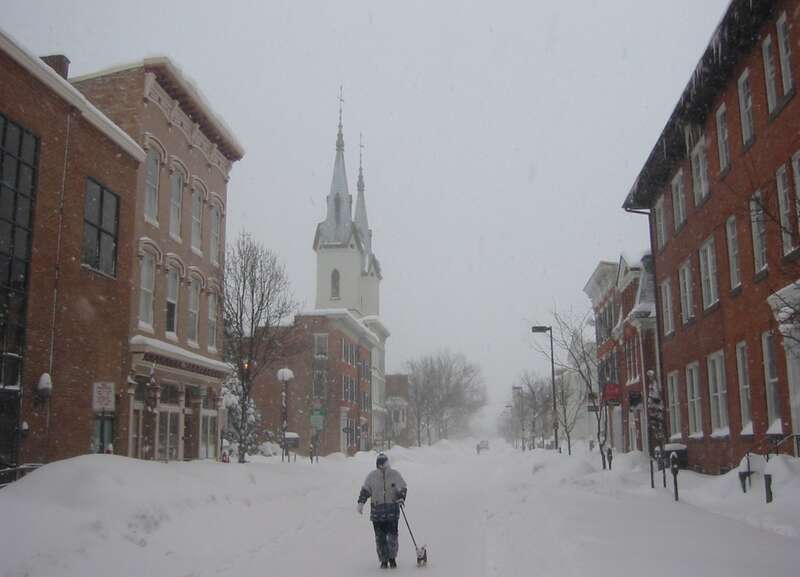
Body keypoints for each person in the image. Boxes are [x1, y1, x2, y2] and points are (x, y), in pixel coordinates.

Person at [357, 452, 407, 569]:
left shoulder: (395, 475)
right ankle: (384, 560)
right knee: (380, 538)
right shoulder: (372, 477)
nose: (382, 466)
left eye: (383, 464)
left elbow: (402, 487)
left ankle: (392, 558)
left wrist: (401, 497)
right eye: (379, 464)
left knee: (392, 536)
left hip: (392, 512)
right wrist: (361, 502)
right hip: (377, 514)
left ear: (387, 463)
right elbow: (365, 490)